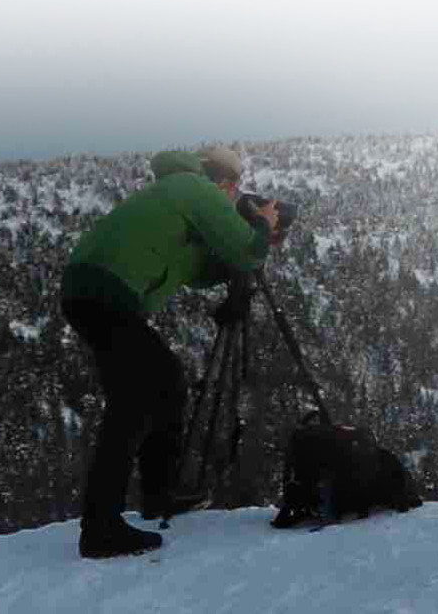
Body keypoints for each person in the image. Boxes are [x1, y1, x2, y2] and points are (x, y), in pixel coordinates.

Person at [59, 146, 277, 558]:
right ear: (225, 183)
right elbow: (248, 251)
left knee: (167, 383)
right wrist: (262, 229)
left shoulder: (176, 195)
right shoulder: (197, 189)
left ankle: (158, 494)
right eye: (233, 190)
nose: (232, 200)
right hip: (107, 292)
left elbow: (201, 271)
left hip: (91, 288)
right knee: (133, 403)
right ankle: (101, 525)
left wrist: (238, 266)